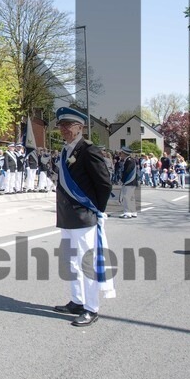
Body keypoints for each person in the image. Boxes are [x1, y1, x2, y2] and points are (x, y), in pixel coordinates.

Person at [50, 106, 114, 327]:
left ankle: (91, 308)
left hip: (84, 217)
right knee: (71, 262)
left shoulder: (89, 150)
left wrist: (95, 209)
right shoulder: (66, 151)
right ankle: (77, 301)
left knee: (86, 263)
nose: (64, 129)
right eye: (61, 125)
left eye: (68, 125)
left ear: (80, 127)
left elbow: (104, 184)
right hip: (67, 217)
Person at [118, 147, 139, 218]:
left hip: (129, 181)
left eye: (121, 153)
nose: (120, 155)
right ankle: (133, 212)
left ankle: (127, 212)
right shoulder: (130, 160)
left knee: (127, 197)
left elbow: (127, 172)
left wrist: (122, 180)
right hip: (132, 182)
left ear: (124, 153)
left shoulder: (129, 161)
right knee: (131, 197)